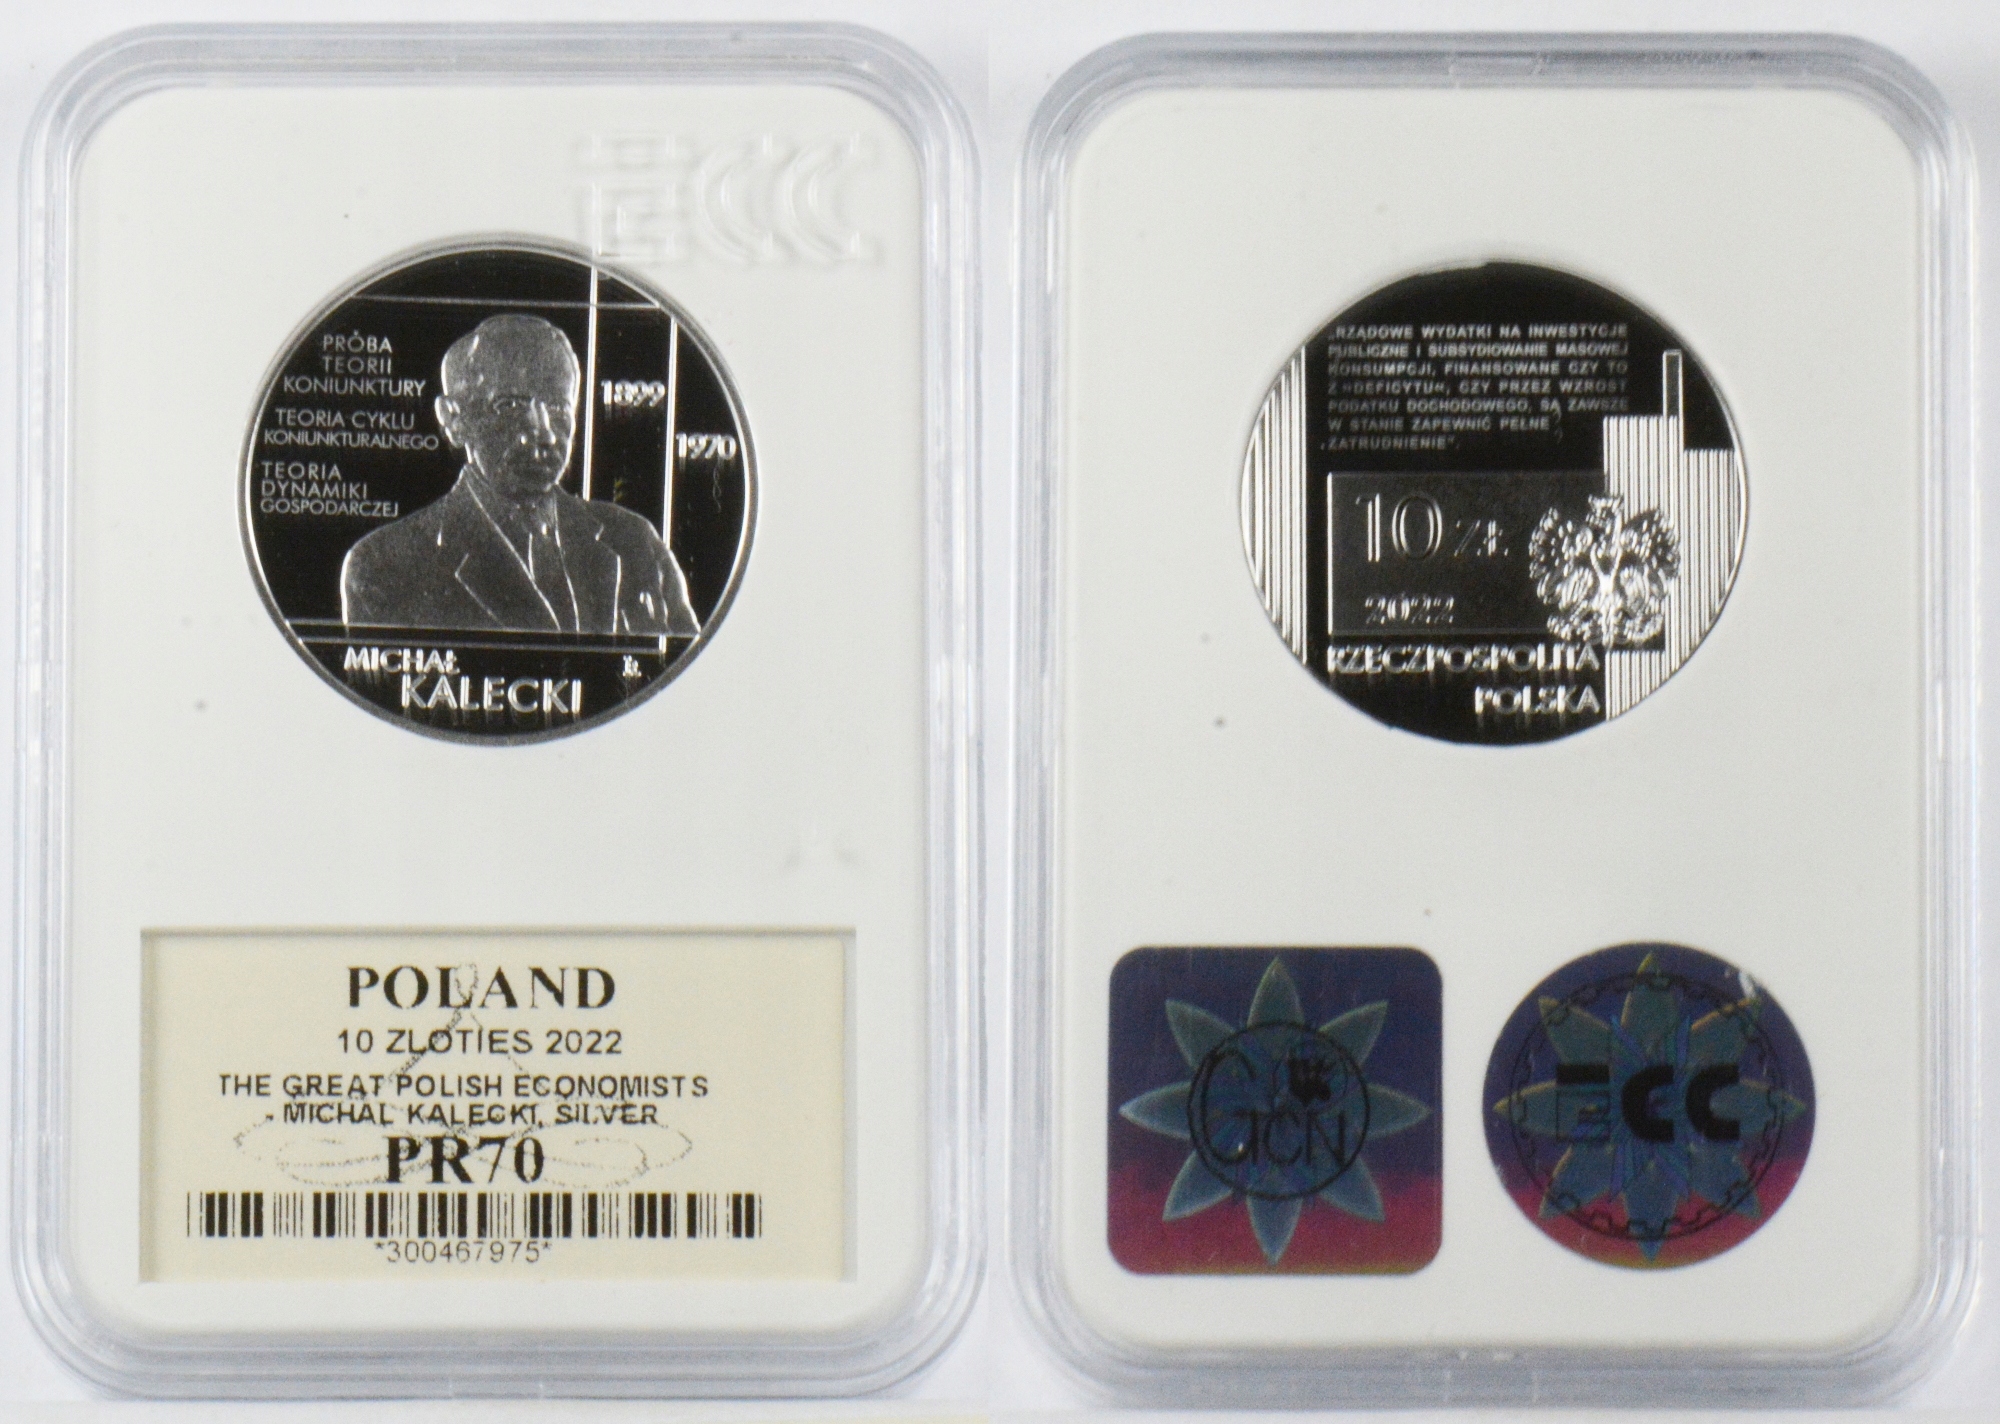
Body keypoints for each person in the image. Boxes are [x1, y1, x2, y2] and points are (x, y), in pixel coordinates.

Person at [340, 313, 700, 637]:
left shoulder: (634, 541)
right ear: (454, 420)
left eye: (558, 406)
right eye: (510, 405)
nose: (544, 432)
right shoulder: (384, 565)